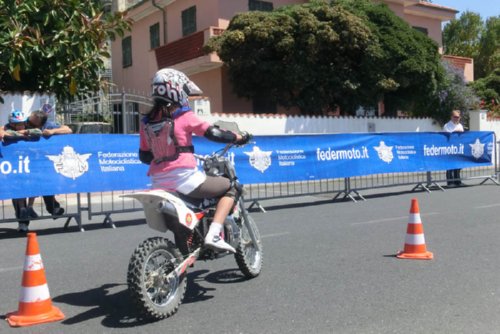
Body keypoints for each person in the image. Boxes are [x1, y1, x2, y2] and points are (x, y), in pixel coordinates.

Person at [139, 68, 250, 253]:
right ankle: (214, 233)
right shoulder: (184, 116)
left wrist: (163, 151)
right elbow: (214, 133)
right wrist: (238, 137)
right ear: (175, 90)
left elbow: (144, 156)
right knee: (232, 186)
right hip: (185, 180)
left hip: (158, 184)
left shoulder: (146, 122)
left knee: (179, 220)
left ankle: (184, 252)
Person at [25, 110, 73, 219]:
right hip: (25, 160)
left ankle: (51, 208)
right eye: (28, 121)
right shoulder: (24, 123)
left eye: (32, 124)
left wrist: (53, 131)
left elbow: (68, 129)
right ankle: (28, 209)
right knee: (32, 184)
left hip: (42, 160)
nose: (28, 124)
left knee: (44, 183)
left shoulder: (48, 126)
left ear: (41, 124)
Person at [1, 110, 43, 232]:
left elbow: (38, 132)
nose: (20, 125)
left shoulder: (29, 128)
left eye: (22, 123)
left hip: (29, 164)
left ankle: (29, 207)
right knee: (18, 192)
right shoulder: (7, 129)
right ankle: (22, 221)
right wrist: (19, 134)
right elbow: (7, 135)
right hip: (15, 166)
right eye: (17, 124)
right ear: (12, 124)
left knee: (34, 186)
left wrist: (25, 132)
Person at [443, 110, 464, 186]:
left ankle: (457, 181)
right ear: (451, 117)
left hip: (458, 148)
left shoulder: (460, 125)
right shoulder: (447, 125)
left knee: (458, 166)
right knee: (450, 166)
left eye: (458, 117)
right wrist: (455, 131)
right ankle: (450, 182)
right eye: (455, 117)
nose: (457, 118)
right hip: (449, 148)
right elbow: (448, 136)